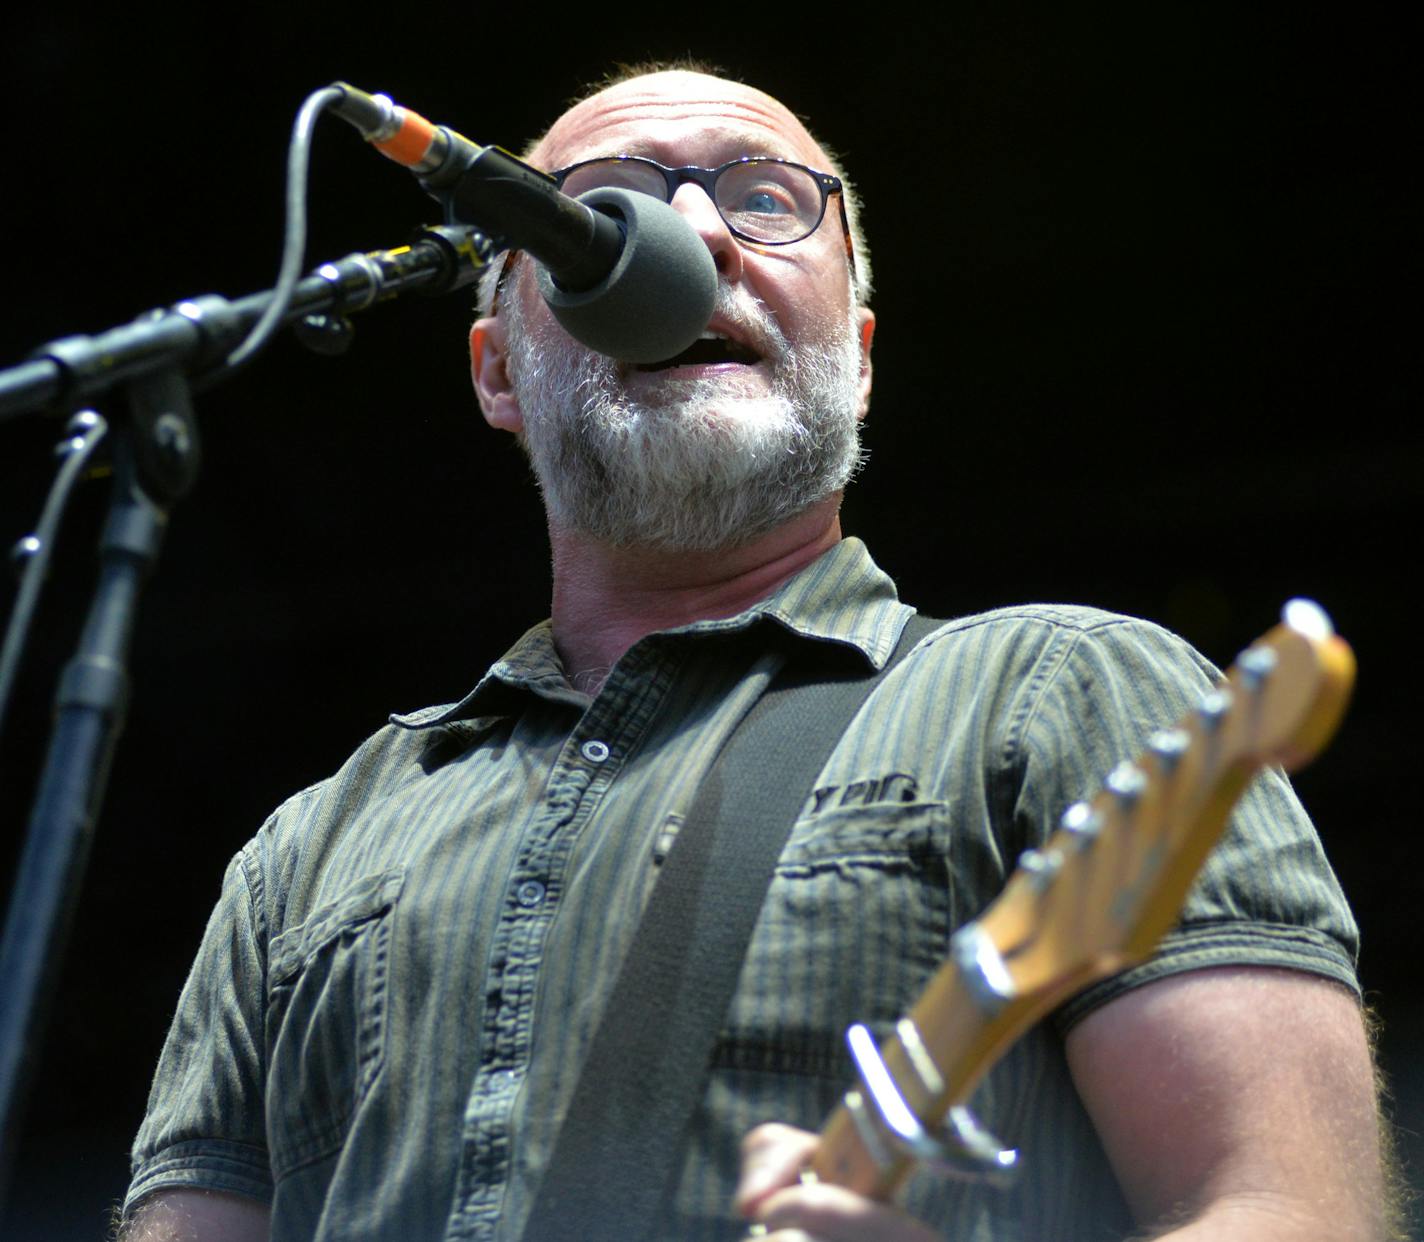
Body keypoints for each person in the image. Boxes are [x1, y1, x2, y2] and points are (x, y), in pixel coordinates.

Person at [119, 65, 1391, 1241]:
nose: (694, 239)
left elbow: (1287, 1207)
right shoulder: (308, 851)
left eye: (767, 200)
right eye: (606, 210)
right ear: (498, 371)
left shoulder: (1061, 692)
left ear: (861, 360)